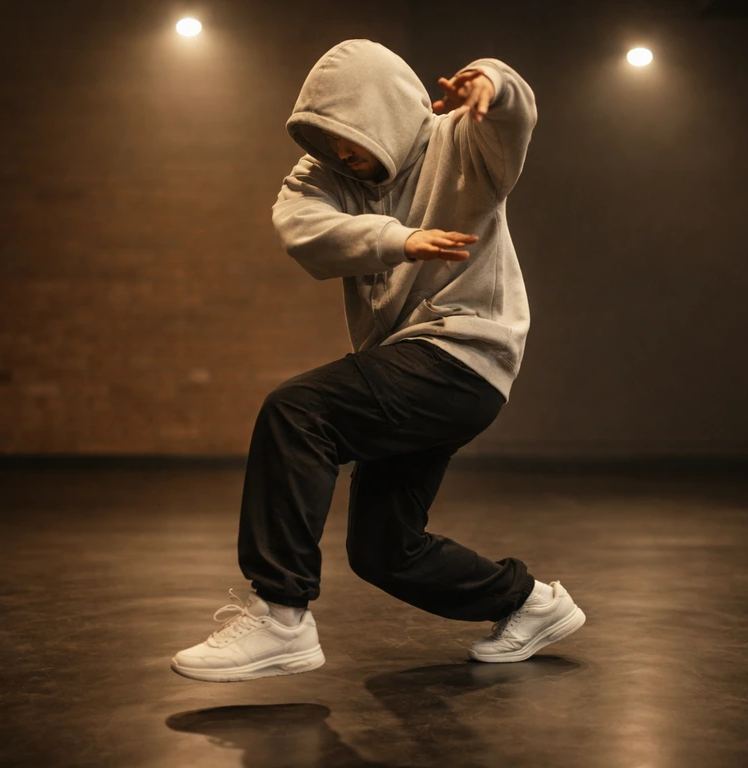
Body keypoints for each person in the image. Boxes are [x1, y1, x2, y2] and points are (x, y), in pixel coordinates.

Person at [171, 39, 585, 683]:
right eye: (329, 140)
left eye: (351, 136)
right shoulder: (324, 174)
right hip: (409, 365)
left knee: (298, 411)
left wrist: (494, 83)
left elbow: (515, 115)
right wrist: (399, 240)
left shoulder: (464, 143)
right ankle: (530, 603)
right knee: (383, 550)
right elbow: (301, 229)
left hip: (463, 356)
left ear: (384, 114)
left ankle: (281, 616)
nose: (342, 153)